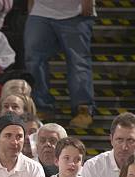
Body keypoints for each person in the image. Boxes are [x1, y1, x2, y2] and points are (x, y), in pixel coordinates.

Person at [24, 0, 96, 128]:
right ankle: (41, 106)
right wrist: (31, 6)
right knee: (34, 60)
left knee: (78, 62)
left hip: (75, 13)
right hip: (40, 11)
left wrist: (87, 4)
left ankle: (83, 109)